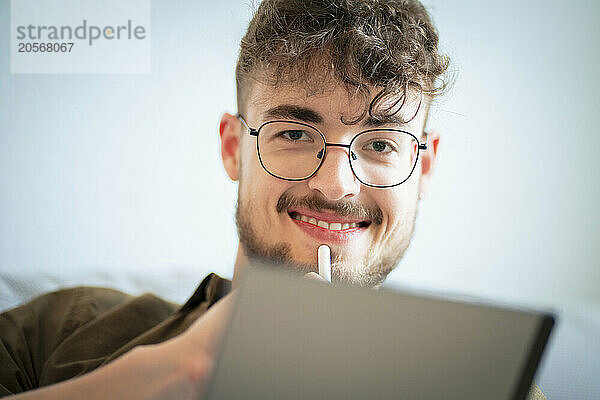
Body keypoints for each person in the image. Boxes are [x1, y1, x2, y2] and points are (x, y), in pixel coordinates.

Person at [0, 0, 548, 399]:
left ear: (422, 167)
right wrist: (183, 369)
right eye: (295, 134)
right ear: (234, 148)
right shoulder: (54, 332)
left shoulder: (495, 387)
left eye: (381, 143)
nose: (337, 185)